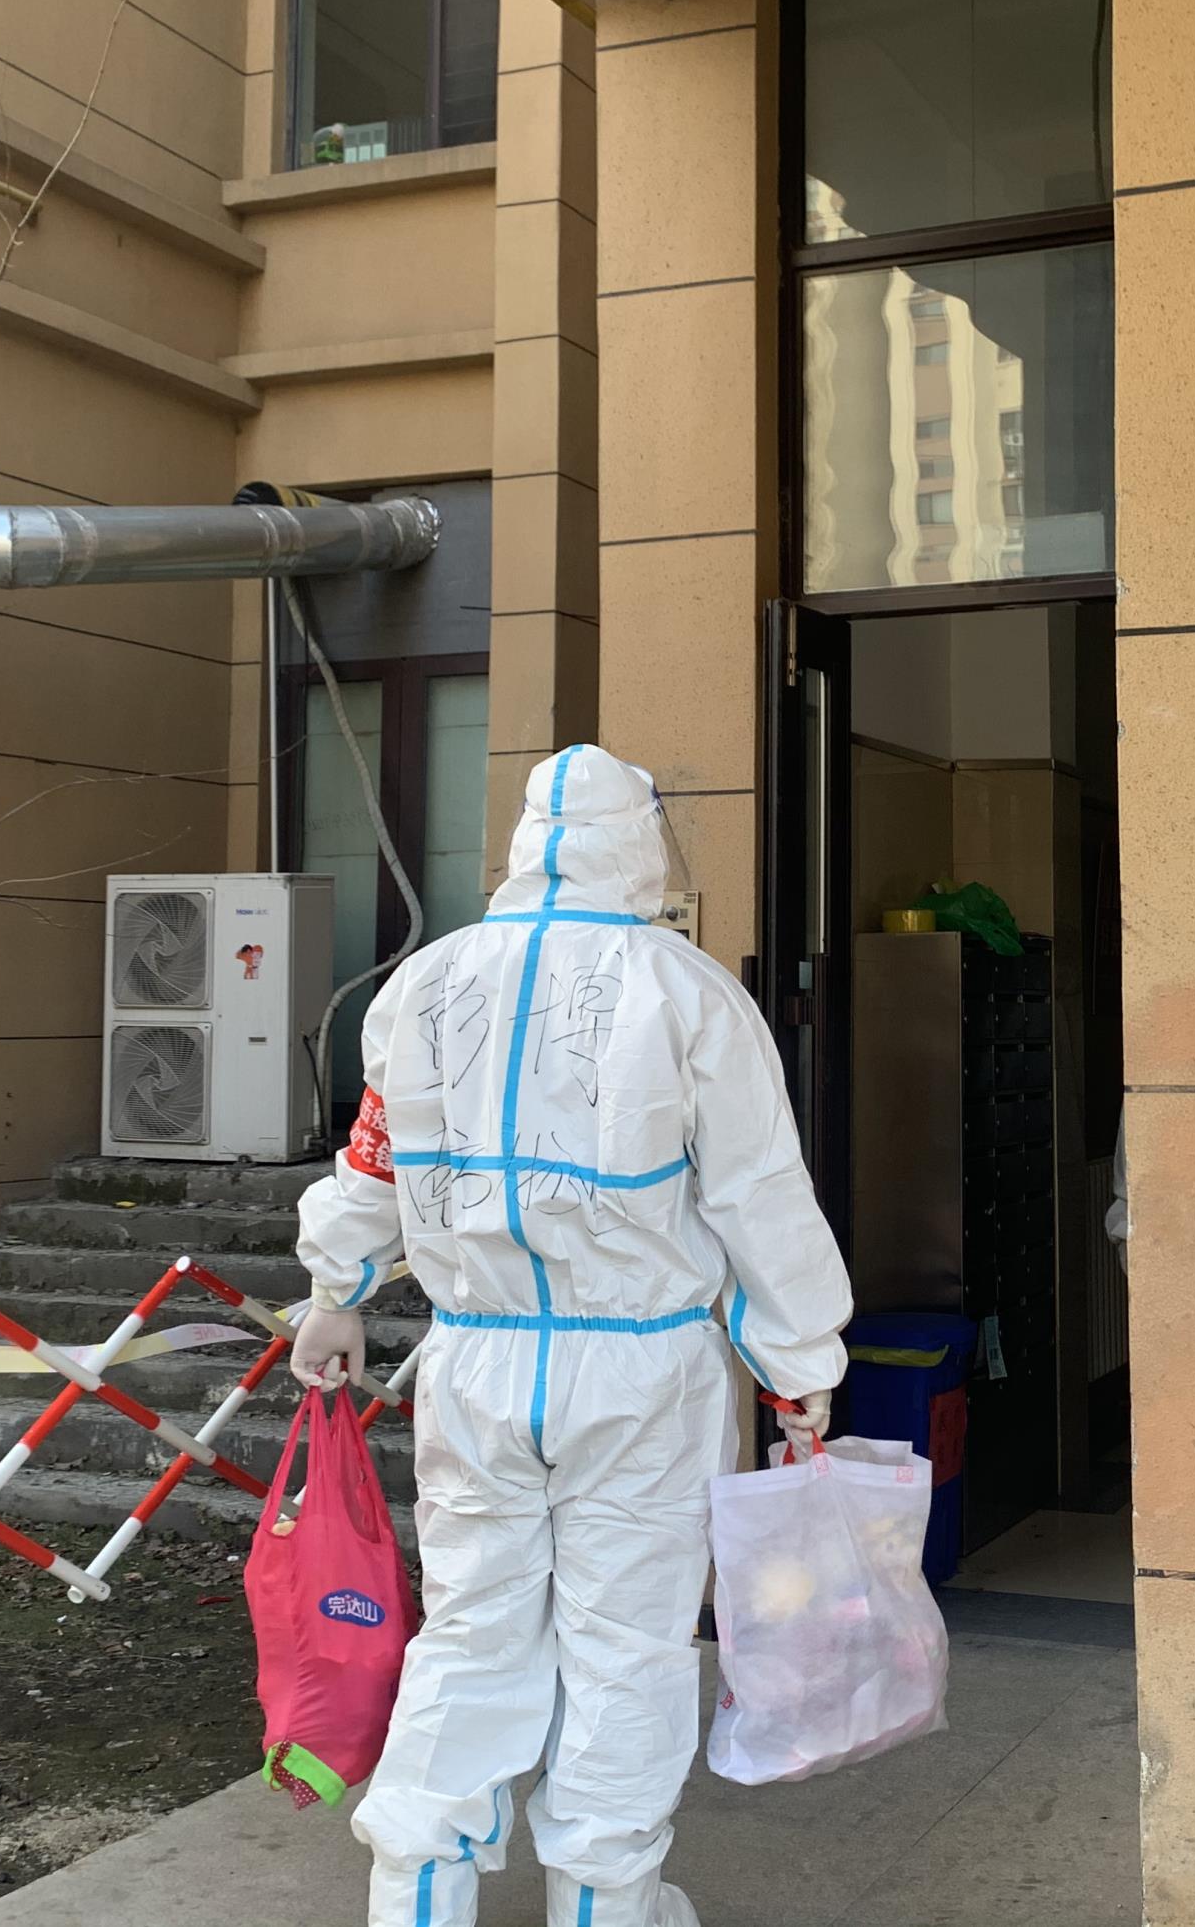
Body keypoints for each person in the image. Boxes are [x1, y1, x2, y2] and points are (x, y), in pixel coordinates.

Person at [288, 743, 851, 1927]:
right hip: (642, 1369)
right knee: (626, 1648)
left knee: (471, 1632)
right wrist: (799, 1362)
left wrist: (337, 1291)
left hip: (476, 1360)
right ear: (640, 847)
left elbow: (376, 1156)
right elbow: (757, 1194)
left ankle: (418, 1898)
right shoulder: (687, 990)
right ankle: (605, 1903)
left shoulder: (428, 982)